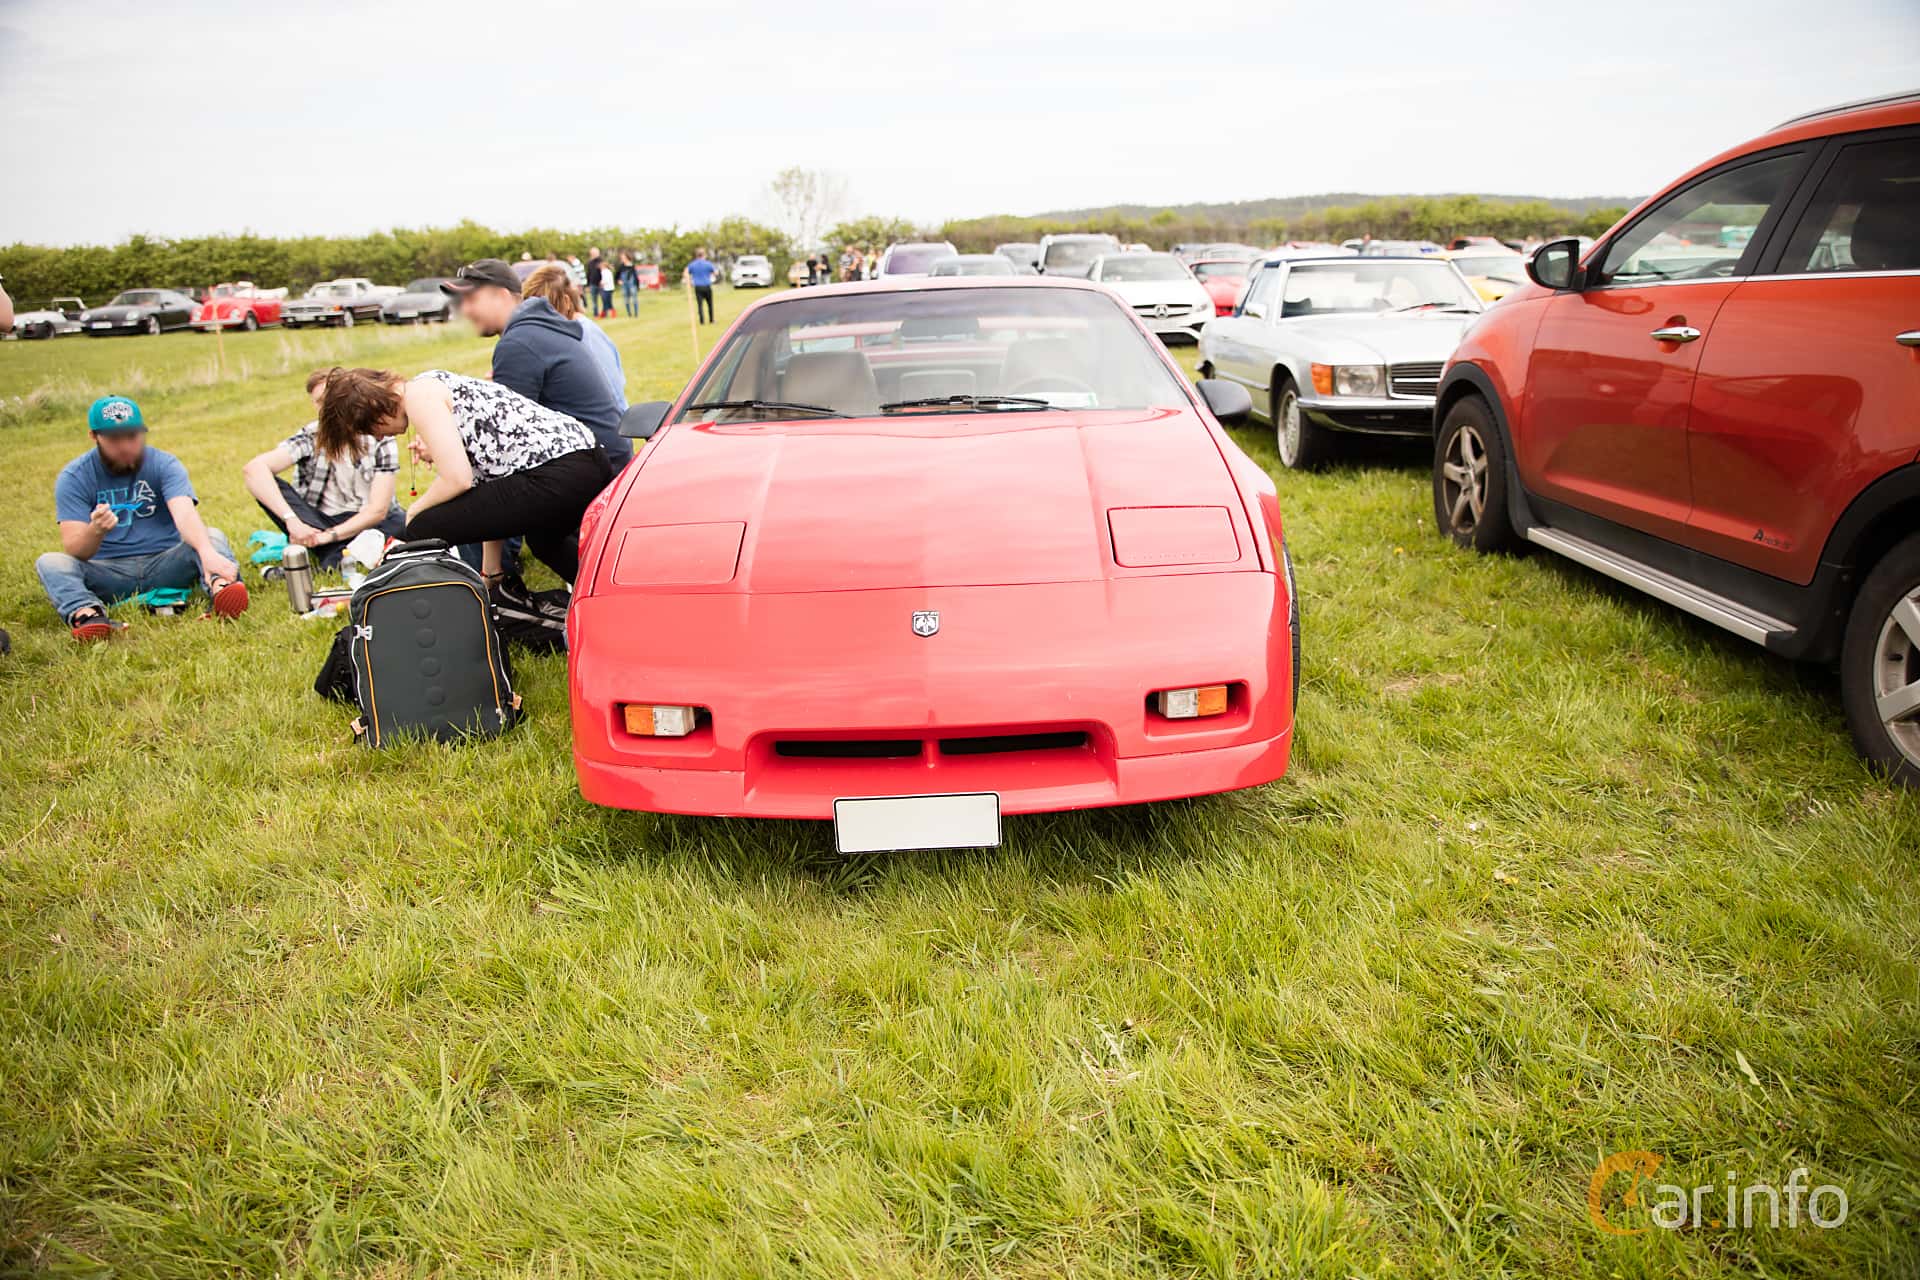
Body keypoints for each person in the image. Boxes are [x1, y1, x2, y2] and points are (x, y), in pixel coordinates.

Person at [315, 368, 610, 595]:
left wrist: (415, 510)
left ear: (374, 410)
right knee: (545, 541)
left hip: (560, 471)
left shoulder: (418, 397)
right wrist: (490, 570)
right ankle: (603, 595)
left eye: (372, 429)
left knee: (423, 526)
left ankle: (438, 603)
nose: (381, 437)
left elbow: (458, 480)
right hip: (584, 462)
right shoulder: (432, 383)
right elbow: (491, 487)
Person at [35, 395, 248, 641]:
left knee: (211, 536)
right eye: (114, 439)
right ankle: (88, 615)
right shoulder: (74, 476)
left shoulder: (164, 464)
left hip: (166, 562)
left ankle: (222, 589)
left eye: (133, 436)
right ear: (94, 437)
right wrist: (96, 529)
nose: (125, 446)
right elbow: (75, 549)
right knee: (50, 562)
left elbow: (184, 513)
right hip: (108, 572)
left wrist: (206, 552)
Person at [442, 258, 629, 470]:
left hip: (597, 471)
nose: (465, 310)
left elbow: (504, 441)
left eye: (472, 299)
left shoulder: (519, 342)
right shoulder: (534, 329)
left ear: (502, 296)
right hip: (607, 460)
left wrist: (445, 445)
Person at [240, 368, 407, 570]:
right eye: (320, 403)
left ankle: (333, 554)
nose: (327, 409)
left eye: (330, 401)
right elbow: (254, 469)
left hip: (372, 521)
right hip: (320, 521)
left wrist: (328, 537)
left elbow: (377, 510)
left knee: (408, 523)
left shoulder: (379, 433)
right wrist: (291, 520)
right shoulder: (313, 435)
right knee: (267, 484)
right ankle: (345, 553)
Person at [520, 265, 627, 414]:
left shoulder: (586, 335)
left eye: (544, 307)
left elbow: (613, 394)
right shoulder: (556, 336)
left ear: (565, 302)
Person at [687, 248, 718, 323]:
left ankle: (702, 321)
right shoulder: (708, 263)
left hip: (698, 287)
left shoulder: (692, 264)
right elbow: (716, 273)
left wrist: (690, 281)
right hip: (707, 286)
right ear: (704, 255)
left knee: (700, 305)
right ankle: (711, 320)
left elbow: (685, 272)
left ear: (697, 255)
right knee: (710, 304)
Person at [616, 249, 640, 318]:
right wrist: (618, 280)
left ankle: (636, 314)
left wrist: (637, 286)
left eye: (624, 257)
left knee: (634, 300)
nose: (623, 259)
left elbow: (636, 277)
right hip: (624, 285)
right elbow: (617, 276)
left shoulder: (632, 266)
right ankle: (629, 314)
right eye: (622, 258)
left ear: (627, 257)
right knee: (626, 300)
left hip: (632, 285)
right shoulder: (621, 266)